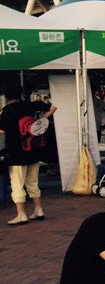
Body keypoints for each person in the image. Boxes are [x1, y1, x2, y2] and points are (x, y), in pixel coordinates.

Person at [1, 85, 56, 226]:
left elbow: (2, 130)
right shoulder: (30, 105)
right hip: (33, 150)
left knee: (17, 184)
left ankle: (21, 214)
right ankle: (38, 209)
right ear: (21, 94)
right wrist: (41, 121)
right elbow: (53, 107)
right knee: (33, 182)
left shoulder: (8, 110)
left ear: (6, 96)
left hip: (16, 153)